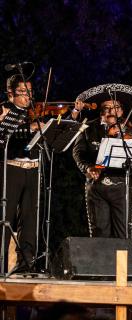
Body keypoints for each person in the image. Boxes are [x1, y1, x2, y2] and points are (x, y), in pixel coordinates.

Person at [72, 84, 132, 239]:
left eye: (116, 107)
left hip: (123, 186)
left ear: (122, 111)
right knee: (100, 233)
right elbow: (78, 153)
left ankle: (123, 264)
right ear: (101, 110)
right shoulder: (88, 128)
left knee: (124, 235)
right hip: (97, 186)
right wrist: (88, 168)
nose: (112, 111)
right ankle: (101, 264)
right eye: (107, 107)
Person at [0, 74, 42, 273]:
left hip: (33, 169)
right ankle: (1, 263)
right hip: (12, 168)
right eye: (23, 93)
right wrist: (29, 127)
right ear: (11, 94)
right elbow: (5, 137)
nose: (28, 97)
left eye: (30, 92)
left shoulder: (35, 112)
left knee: (30, 218)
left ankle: (26, 264)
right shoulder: (5, 111)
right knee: (5, 216)